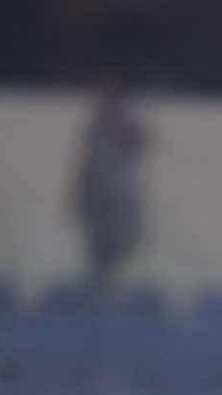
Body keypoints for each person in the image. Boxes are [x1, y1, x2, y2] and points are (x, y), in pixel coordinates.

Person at [71, 81, 148, 291]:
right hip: (99, 200)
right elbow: (86, 166)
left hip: (122, 200)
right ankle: (100, 287)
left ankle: (108, 285)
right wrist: (79, 199)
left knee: (126, 243)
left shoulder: (129, 126)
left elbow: (141, 142)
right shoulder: (94, 129)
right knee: (99, 253)